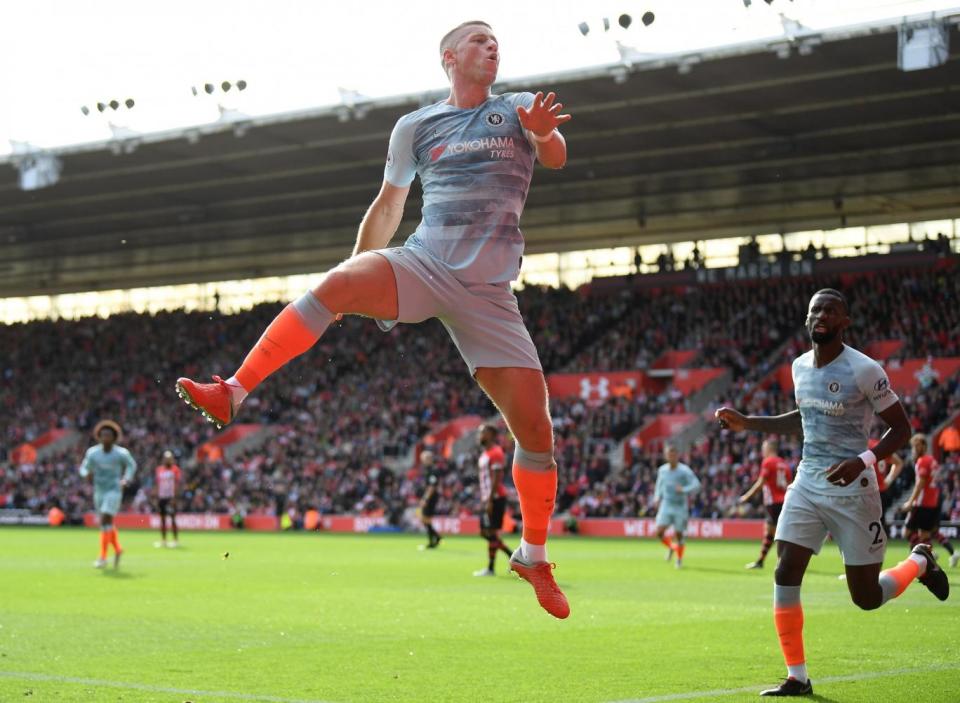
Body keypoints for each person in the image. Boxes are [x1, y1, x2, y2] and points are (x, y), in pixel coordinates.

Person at [174, 20, 571, 618]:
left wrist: (543, 136)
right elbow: (388, 205)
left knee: (536, 435)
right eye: (479, 40)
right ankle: (231, 391)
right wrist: (351, 283)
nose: (492, 47)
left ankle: (533, 556)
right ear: (449, 57)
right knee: (333, 283)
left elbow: (557, 157)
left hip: (489, 293)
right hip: (426, 262)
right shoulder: (415, 126)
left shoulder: (516, 108)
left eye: (497, 42)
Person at [715, 289, 949, 697]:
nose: (821, 315)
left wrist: (863, 461)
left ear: (845, 322)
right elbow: (804, 418)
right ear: (807, 319)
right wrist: (747, 422)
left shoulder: (864, 369)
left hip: (854, 489)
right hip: (808, 482)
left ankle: (919, 561)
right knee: (786, 569)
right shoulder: (799, 366)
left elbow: (902, 429)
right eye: (815, 310)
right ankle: (797, 676)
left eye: (830, 310)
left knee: (867, 597)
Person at [79, 420, 137, 569]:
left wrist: (126, 479)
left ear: (114, 437)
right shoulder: (93, 453)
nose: (106, 438)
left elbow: (131, 465)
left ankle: (102, 557)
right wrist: (86, 474)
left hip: (114, 490)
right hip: (99, 491)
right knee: (107, 523)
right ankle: (117, 549)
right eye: (103, 435)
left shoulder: (120, 453)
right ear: (98, 437)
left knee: (105, 519)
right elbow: (83, 467)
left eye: (109, 435)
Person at [903, 434, 959, 568]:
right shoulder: (932, 460)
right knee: (925, 534)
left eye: (916, 446)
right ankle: (928, 562)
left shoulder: (922, 461)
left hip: (922, 503)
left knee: (908, 533)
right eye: (913, 447)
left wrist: (910, 501)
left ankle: (926, 556)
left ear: (923, 446)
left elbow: (920, 484)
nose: (914, 449)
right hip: (933, 502)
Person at [740, 439, 792, 570]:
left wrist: (747, 496)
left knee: (774, 532)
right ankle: (763, 561)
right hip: (785, 500)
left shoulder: (768, 462)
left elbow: (761, 482)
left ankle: (778, 561)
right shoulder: (784, 464)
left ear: (770, 449)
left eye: (764, 448)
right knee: (775, 531)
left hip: (773, 502)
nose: (763, 451)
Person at [473, 424, 513, 576]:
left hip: (495, 498)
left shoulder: (496, 452)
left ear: (490, 434)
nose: (479, 435)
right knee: (486, 532)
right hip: (488, 498)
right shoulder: (485, 454)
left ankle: (492, 568)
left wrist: (490, 500)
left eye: (482, 432)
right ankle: (513, 558)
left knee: (491, 532)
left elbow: (497, 478)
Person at [653, 444, 701, 569]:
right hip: (666, 504)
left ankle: (679, 559)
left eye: (673, 454)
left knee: (679, 534)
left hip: (680, 506)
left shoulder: (684, 470)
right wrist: (657, 497)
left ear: (677, 456)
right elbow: (659, 484)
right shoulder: (662, 470)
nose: (671, 457)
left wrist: (684, 489)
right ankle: (672, 548)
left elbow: (697, 484)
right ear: (666, 456)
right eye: (669, 454)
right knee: (659, 532)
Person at [154, 450, 182, 548]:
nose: (167, 460)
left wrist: (175, 498)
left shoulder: (175, 470)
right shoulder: (159, 469)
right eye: (166, 458)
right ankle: (164, 540)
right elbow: (157, 483)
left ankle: (175, 540)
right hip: (162, 497)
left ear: (172, 459)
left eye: (169, 458)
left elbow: (177, 484)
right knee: (162, 520)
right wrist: (156, 496)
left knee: (172, 518)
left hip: (171, 497)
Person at [418, 450, 442, 550]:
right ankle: (435, 537)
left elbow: (432, 487)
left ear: (429, 459)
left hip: (431, 497)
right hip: (430, 496)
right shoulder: (428, 470)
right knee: (424, 519)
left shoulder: (433, 470)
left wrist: (425, 498)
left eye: (424, 459)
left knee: (425, 519)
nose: (422, 461)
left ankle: (433, 540)